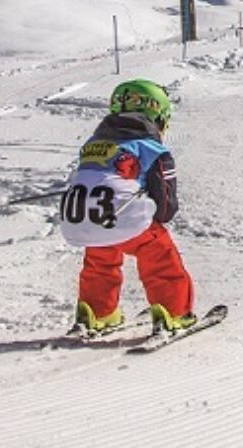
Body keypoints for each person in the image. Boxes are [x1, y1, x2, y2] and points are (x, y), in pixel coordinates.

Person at [59, 79, 197, 335]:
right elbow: (165, 204)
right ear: (157, 116)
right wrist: (159, 215)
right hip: (124, 217)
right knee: (159, 255)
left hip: (83, 220)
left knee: (101, 256)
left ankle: (96, 311)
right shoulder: (152, 149)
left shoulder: (91, 146)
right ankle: (174, 312)